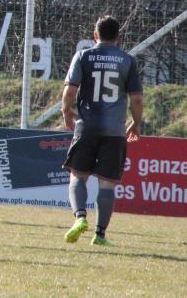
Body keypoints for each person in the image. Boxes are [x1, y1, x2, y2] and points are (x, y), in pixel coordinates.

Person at [61, 15, 143, 246]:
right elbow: (136, 99)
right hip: (115, 130)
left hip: (87, 127)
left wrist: (66, 110)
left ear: (95, 35)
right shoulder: (127, 61)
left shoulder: (83, 56)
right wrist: (136, 123)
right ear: (119, 36)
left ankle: (80, 217)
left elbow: (70, 90)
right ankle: (100, 235)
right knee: (107, 183)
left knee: (78, 175)